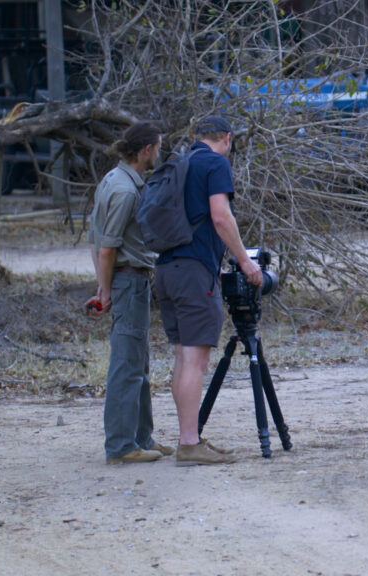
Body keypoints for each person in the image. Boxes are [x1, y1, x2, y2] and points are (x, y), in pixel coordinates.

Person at [155, 115, 263, 466]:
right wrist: (245, 262)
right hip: (193, 273)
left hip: (167, 268)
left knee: (183, 358)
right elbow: (220, 216)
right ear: (227, 138)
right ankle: (188, 444)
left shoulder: (181, 163)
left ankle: (191, 437)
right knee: (196, 361)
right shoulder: (215, 163)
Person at [85, 122, 173, 465]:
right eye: (158, 147)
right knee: (126, 365)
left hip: (128, 280)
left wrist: (102, 285)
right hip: (128, 280)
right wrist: (106, 290)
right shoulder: (125, 191)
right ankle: (121, 446)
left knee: (139, 362)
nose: (160, 153)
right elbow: (106, 247)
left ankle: (141, 437)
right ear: (146, 150)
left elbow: (94, 238)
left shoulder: (114, 179)